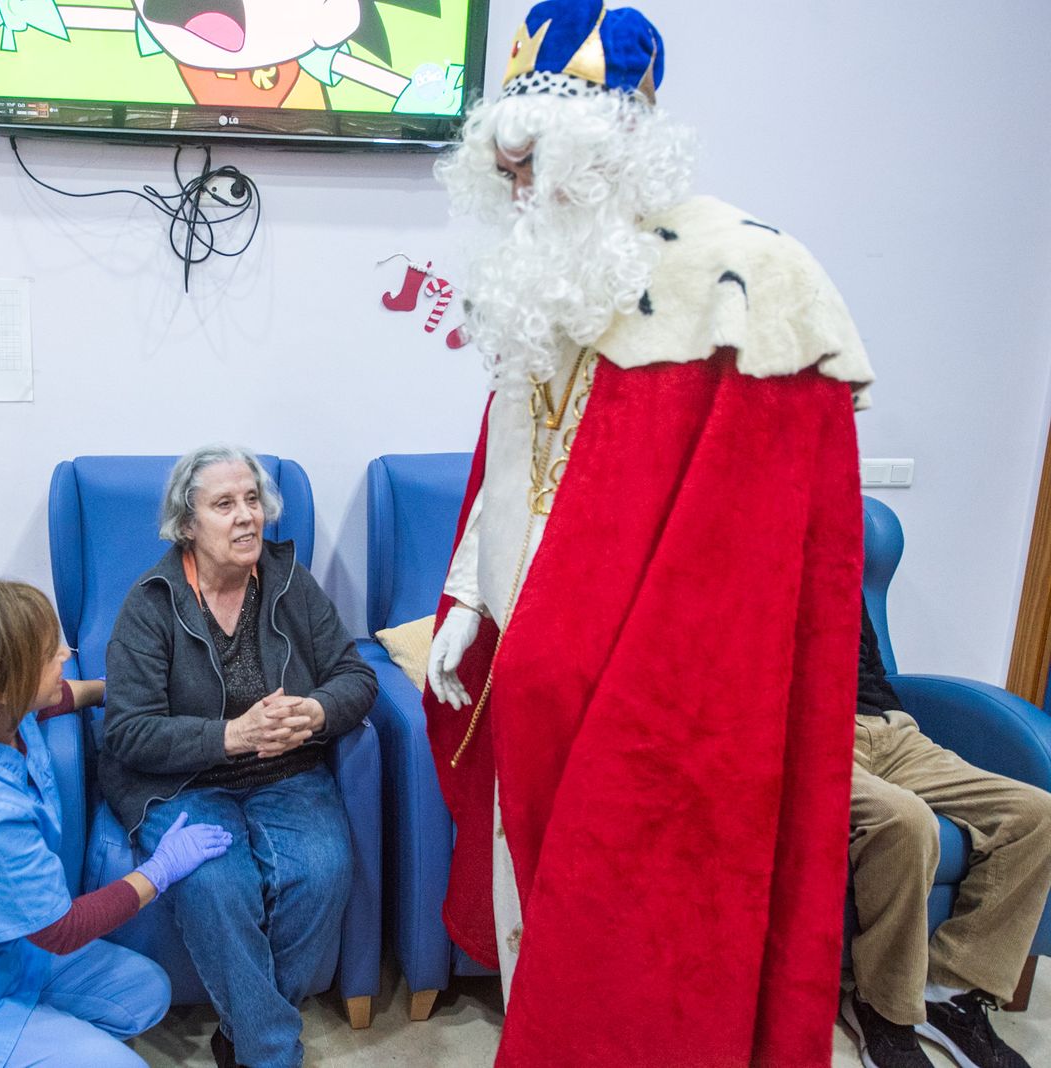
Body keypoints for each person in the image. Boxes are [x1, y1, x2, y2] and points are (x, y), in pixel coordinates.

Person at [422, 1, 876, 1064]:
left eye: (539, 162)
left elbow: (748, 564)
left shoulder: (748, 277)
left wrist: (620, 684)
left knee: (635, 955)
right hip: (529, 680)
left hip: (651, 711)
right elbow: (511, 464)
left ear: (620, 144)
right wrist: (472, 604)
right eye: (509, 166)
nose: (522, 188)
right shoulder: (550, 282)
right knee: (538, 926)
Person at [0, 581, 232, 1067]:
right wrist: (159, 871)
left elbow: (60, 698)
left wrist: (114, 693)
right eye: (47, 652)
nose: (65, 653)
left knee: (146, 992)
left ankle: (34, 1033)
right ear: (0, 686)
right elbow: (60, 930)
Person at [99, 444, 378, 1068]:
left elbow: (354, 675)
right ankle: (270, 1053)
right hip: (182, 783)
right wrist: (231, 736)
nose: (246, 516)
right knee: (217, 885)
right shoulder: (150, 605)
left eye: (252, 499)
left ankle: (245, 1030)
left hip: (287, 771)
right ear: (187, 524)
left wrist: (318, 712)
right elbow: (129, 731)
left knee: (324, 870)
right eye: (224, 504)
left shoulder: (290, 583)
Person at [841, 598, 1051, 1068]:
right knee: (905, 821)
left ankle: (947, 992)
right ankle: (882, 1006)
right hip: (817, 732)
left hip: (893, 731)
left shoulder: (842, 561)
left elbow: (870, 670)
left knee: (1037, 816)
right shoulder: (751, 563)